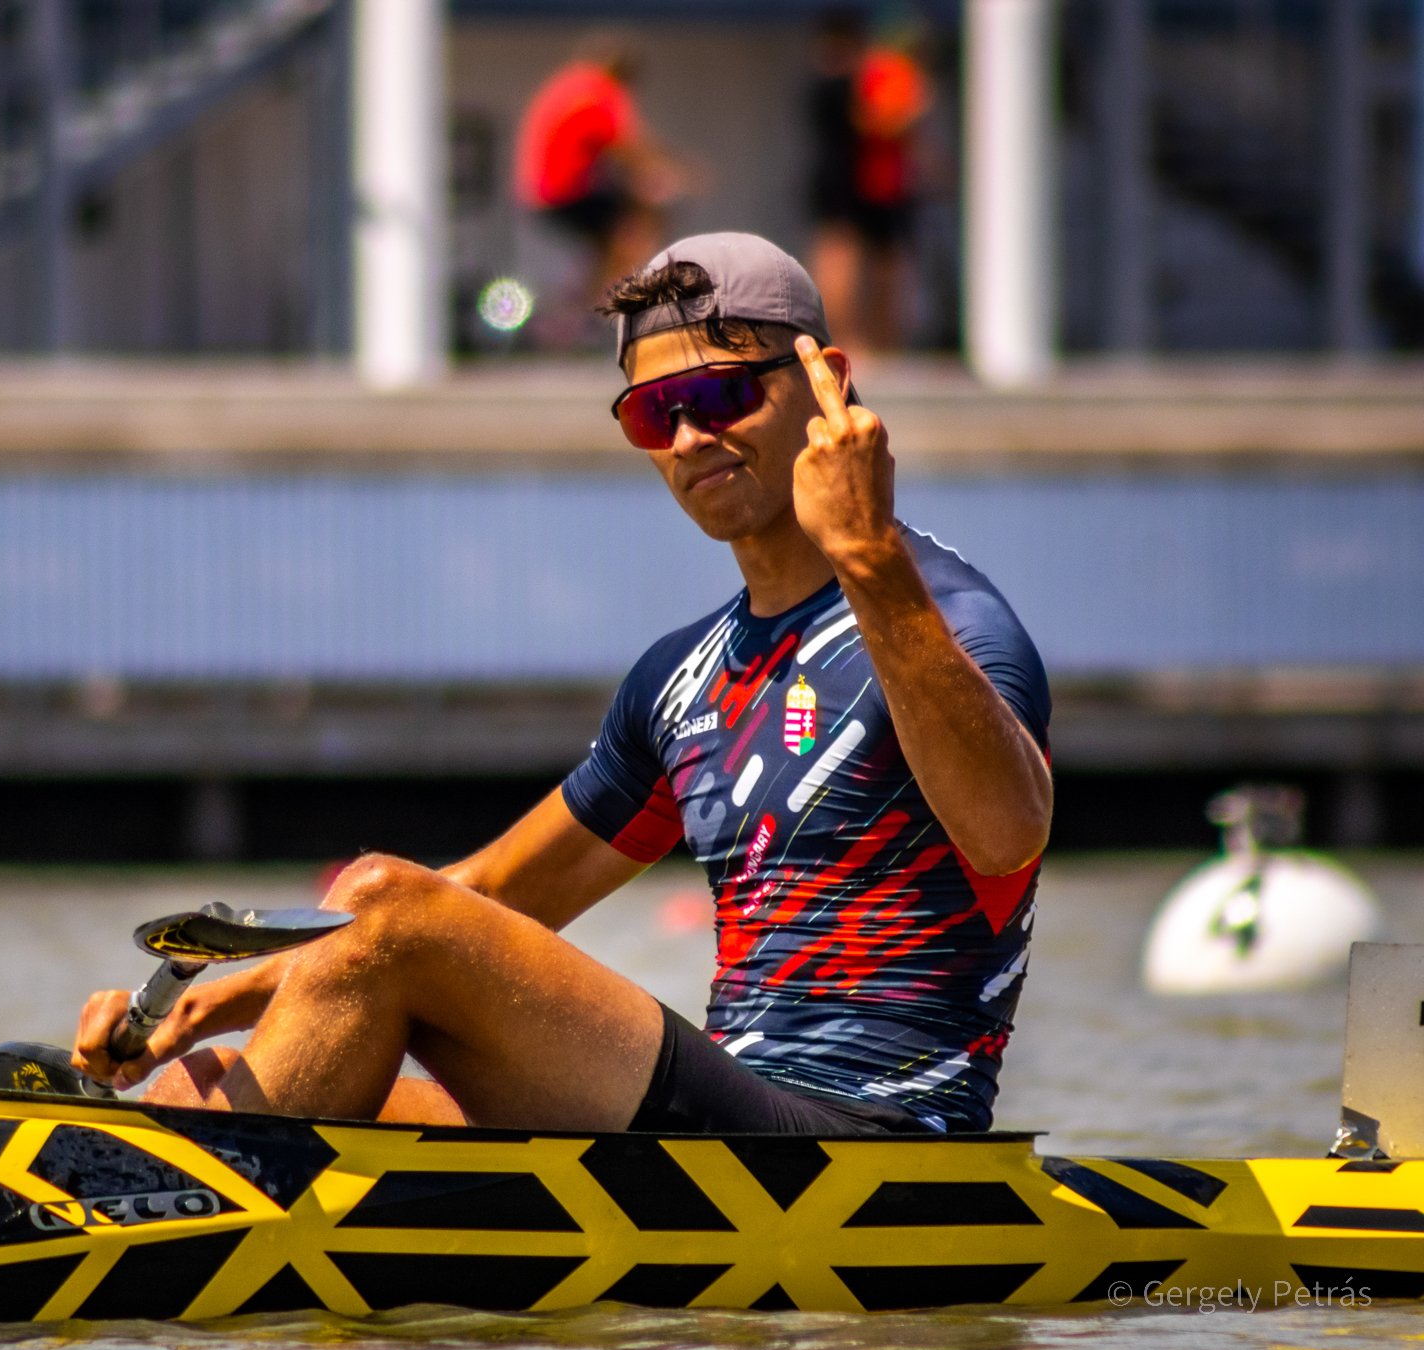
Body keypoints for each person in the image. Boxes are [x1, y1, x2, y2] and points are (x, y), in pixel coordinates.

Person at [73, 233, 1052, 1137]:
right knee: (196, 1086)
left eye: (716, 399)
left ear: (824, 381)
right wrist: (218, 998)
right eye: (650, 415)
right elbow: (496, 894)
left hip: (876, 1139)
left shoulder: (952, 624)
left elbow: (1005, 833)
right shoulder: (679, 679)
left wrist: (869, 558)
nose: (687, 440)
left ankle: (158, 1227)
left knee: (378, 897)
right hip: (735, 1114)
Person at [512, 36, 696, 337]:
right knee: (637, 224)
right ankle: (617, 303)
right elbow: (633, 147)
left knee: (608, 236)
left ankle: (588, 305)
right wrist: (679, 172)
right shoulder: (600, 90)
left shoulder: (571, 83)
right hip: (565, 190)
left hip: (541, 192)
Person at [807, 12, 931, 353]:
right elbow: (874, 124)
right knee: (844, 261)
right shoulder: (846, 81)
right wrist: (910, 113)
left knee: (876, 264)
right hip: (852, 182)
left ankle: (874, 340)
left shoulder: (841, 78)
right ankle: (851, 339)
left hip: (869, 183)